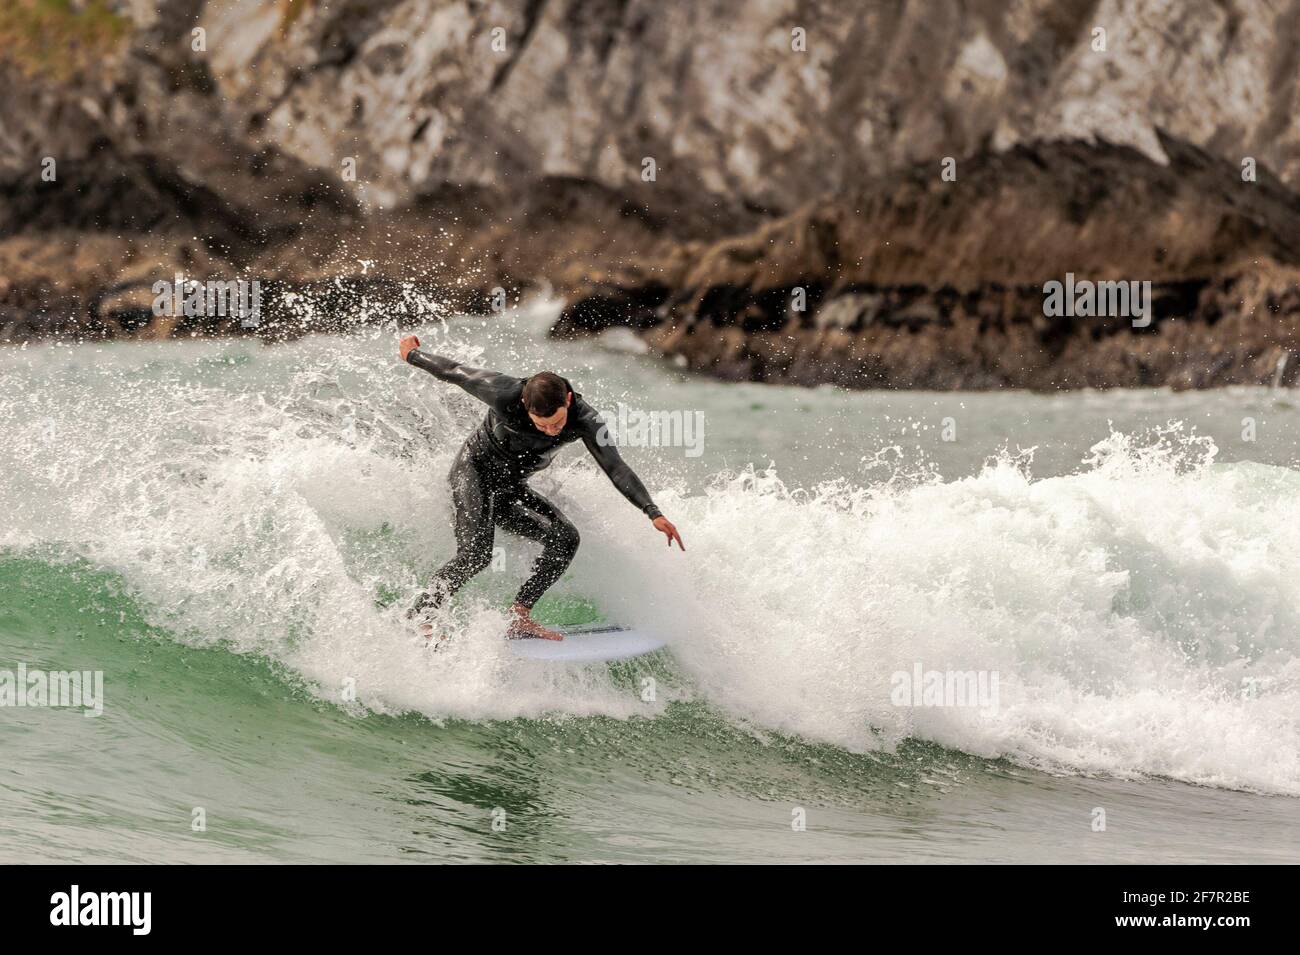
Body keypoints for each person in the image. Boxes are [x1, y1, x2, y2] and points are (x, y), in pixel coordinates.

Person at [399, 335, 684, 640]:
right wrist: (413, 355)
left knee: (565, 538)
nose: (551, 430)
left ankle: (519, 616)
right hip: (473, 473)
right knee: (476, 554)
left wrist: (652, 511)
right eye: (542, 424)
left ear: (568, 402)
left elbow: (615, 466)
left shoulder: (586, 420)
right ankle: (420, 617)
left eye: (557, 423)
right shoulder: (505, 393)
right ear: (525, 405)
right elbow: (455, 371)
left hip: (510, 488)